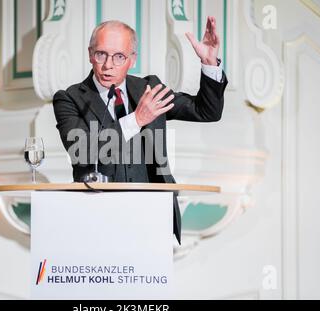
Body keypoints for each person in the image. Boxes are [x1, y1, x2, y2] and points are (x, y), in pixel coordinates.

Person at [53, 18, 228, 244]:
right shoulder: (70, 98)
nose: (108, 65)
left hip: (153, 217)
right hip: (95, 218)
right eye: (101, 54)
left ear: (132, 59)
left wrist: (209, 63)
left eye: (119, 56)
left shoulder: (148, 89)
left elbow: (206, 112)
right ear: (90, 54)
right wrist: (136, 120)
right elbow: (82, 151)